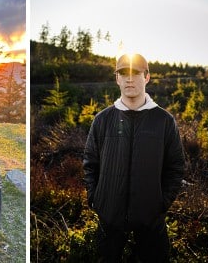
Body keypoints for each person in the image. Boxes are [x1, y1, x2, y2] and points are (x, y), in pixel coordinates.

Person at [83, 53, 185, 262]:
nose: (129, 78)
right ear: (117, 79)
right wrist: (96, 200)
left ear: (146, 77)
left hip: (151, 222)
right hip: (109, 221)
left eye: (135, 73)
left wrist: (161, 204)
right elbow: (90, 164)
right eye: (123, 73)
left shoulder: (164, 121)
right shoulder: (102, 120)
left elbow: (175, 167)